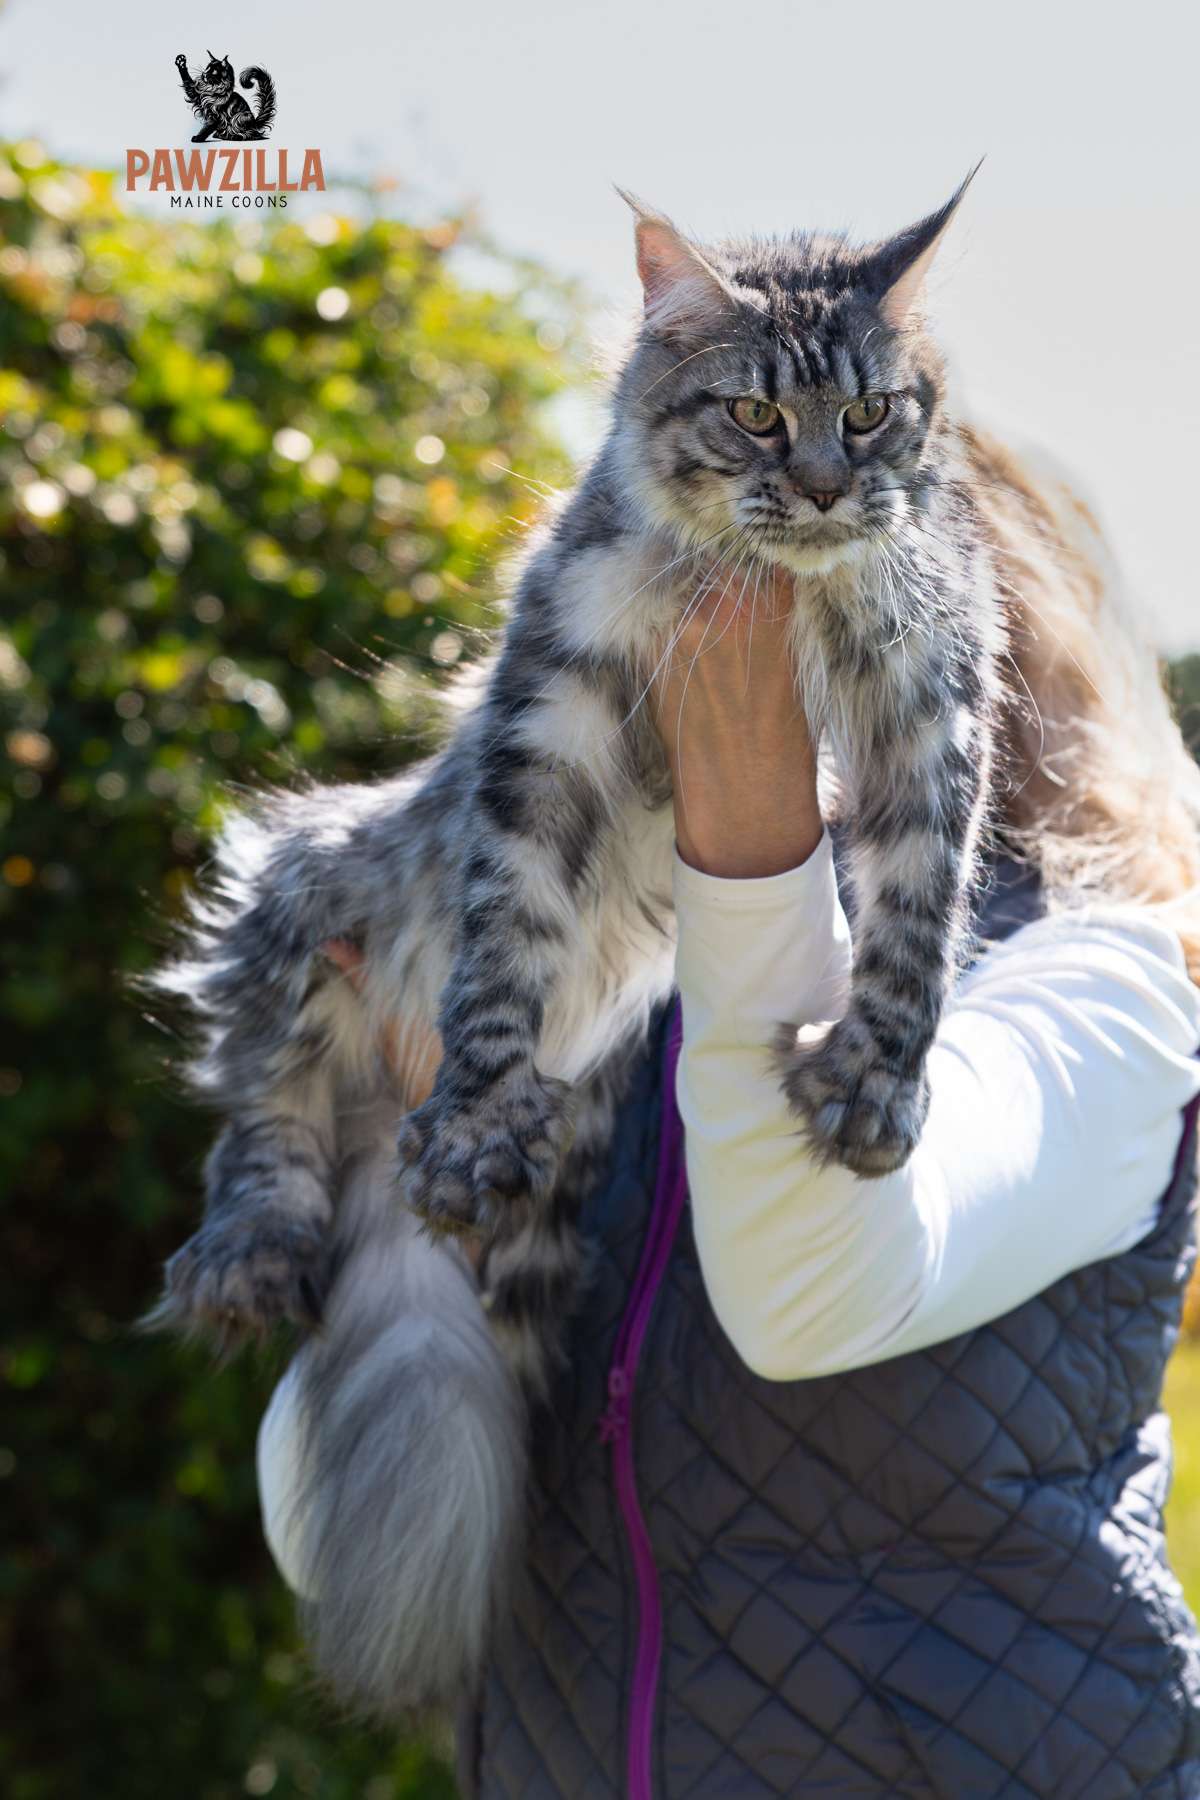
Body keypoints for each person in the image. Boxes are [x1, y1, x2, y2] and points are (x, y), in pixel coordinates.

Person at [258, 453, 1200, 1797]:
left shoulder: (1097, 989)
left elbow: (813, 1296)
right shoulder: (600, 1004)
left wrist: (749, 827)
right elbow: (331, 1538)